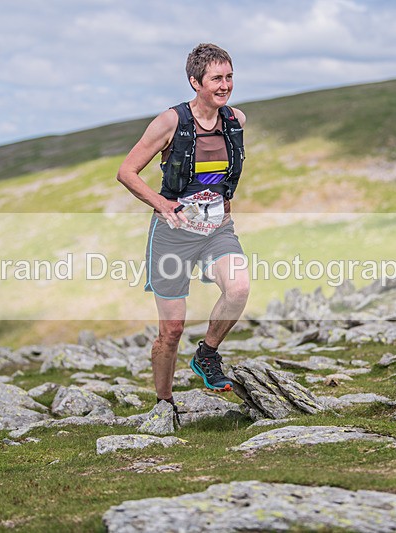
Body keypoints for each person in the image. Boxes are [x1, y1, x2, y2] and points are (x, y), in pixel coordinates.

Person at [116, 43, 250, 412]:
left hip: (217, 229)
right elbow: (126, 172)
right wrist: (162, 203)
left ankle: (207, 354)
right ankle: (164, 402)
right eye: (216, 79)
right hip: (173, 233)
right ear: (195, 82)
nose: (225, 85)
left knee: (238, 288)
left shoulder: (236, 120)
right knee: (172, 330)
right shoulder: (170, 122)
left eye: (229, 77)